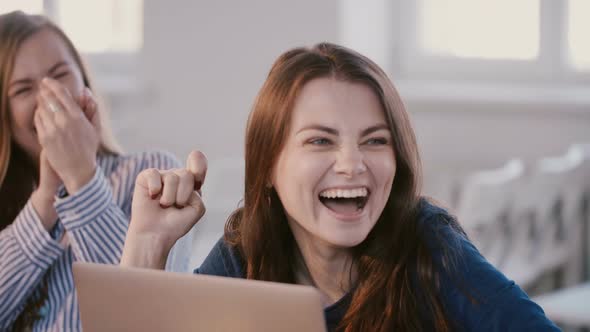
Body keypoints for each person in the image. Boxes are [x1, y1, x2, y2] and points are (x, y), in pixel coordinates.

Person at [120, 43, 559, 331]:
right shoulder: (244, 253)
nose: (352, 164)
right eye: (319, 140)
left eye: (374, 140)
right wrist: (146, 245)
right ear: (269, 165)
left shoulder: (427, 243)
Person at [0, 11, 194, 331]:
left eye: (60, 75)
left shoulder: (151, 174)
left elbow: (137, 313)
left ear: (84, 82)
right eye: (23, 89)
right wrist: (46, 199)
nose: (49, 99)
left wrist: (81, 177)